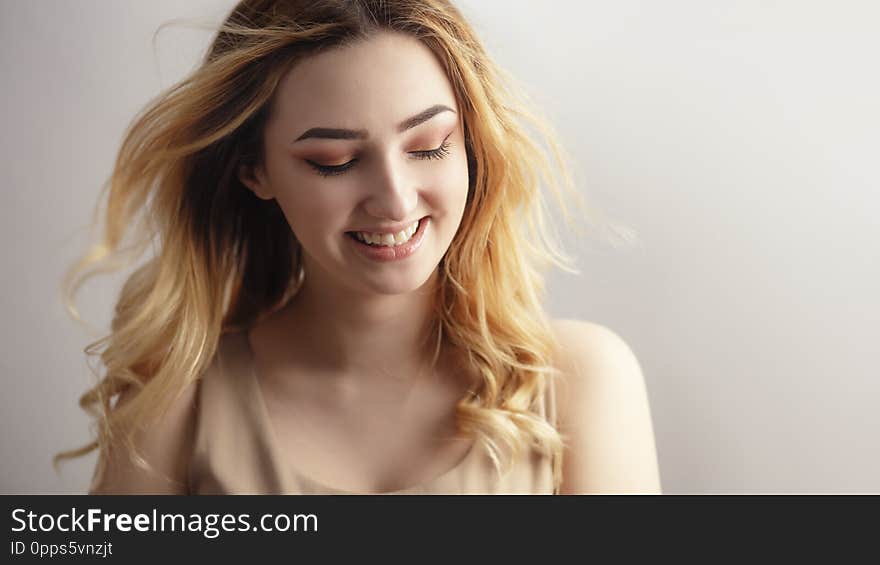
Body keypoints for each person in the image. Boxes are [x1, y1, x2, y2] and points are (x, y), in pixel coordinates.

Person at [57, 0, 661, 494]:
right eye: (335, 161)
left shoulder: (581, 381)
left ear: (472, 145)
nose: (395, 201)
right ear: (254, 171)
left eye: (428, 145)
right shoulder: (179, 394)